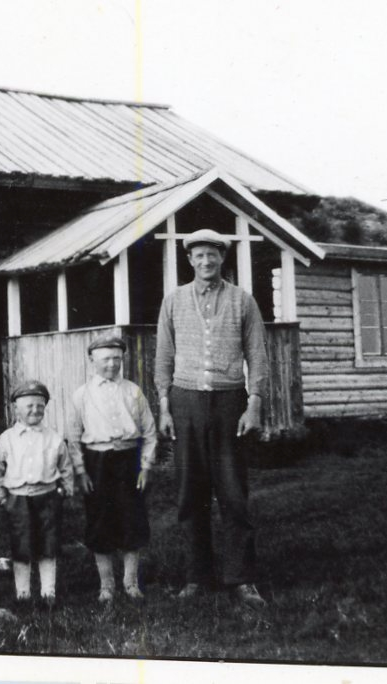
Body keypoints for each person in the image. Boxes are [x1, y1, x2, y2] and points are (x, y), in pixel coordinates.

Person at [154, 228, 269, 608]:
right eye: (199, 255)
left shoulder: (242, 301)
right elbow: (163, 359)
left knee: (233, 493)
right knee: (190, 493)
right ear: (189, 260)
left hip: (229, 403)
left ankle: (241, 578)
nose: (206, 262)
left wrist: (254, 403)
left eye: (213, 255)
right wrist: (165, 406)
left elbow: (257, 356)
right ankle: (195, 576)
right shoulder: (173, 302)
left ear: (223, 259)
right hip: (185, 402)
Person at [66, 335, 157, 603]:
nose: (112, 364)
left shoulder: (133, 391)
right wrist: (81, 471)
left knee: (132, 519)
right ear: (92, 360)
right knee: (99, 521)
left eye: (117, 358)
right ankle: (106, 585)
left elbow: (150, 433)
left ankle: (130, 582)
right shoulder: (82, 395)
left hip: (129, 459)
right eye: (105, 359)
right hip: (97, 462)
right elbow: (73, 437)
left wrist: (146, 466)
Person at [0, 380, 74, 607]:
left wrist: (65, 487)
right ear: (16, 408)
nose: (35, 410)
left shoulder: (53, 438)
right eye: (29, 406)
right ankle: (23, 594)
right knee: (21, 545)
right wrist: (1, 496)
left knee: (48, 544)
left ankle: (48, 593)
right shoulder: (7, 439)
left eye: (40, 406)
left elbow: (65, 466)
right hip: (18, 499)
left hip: (48, 497)